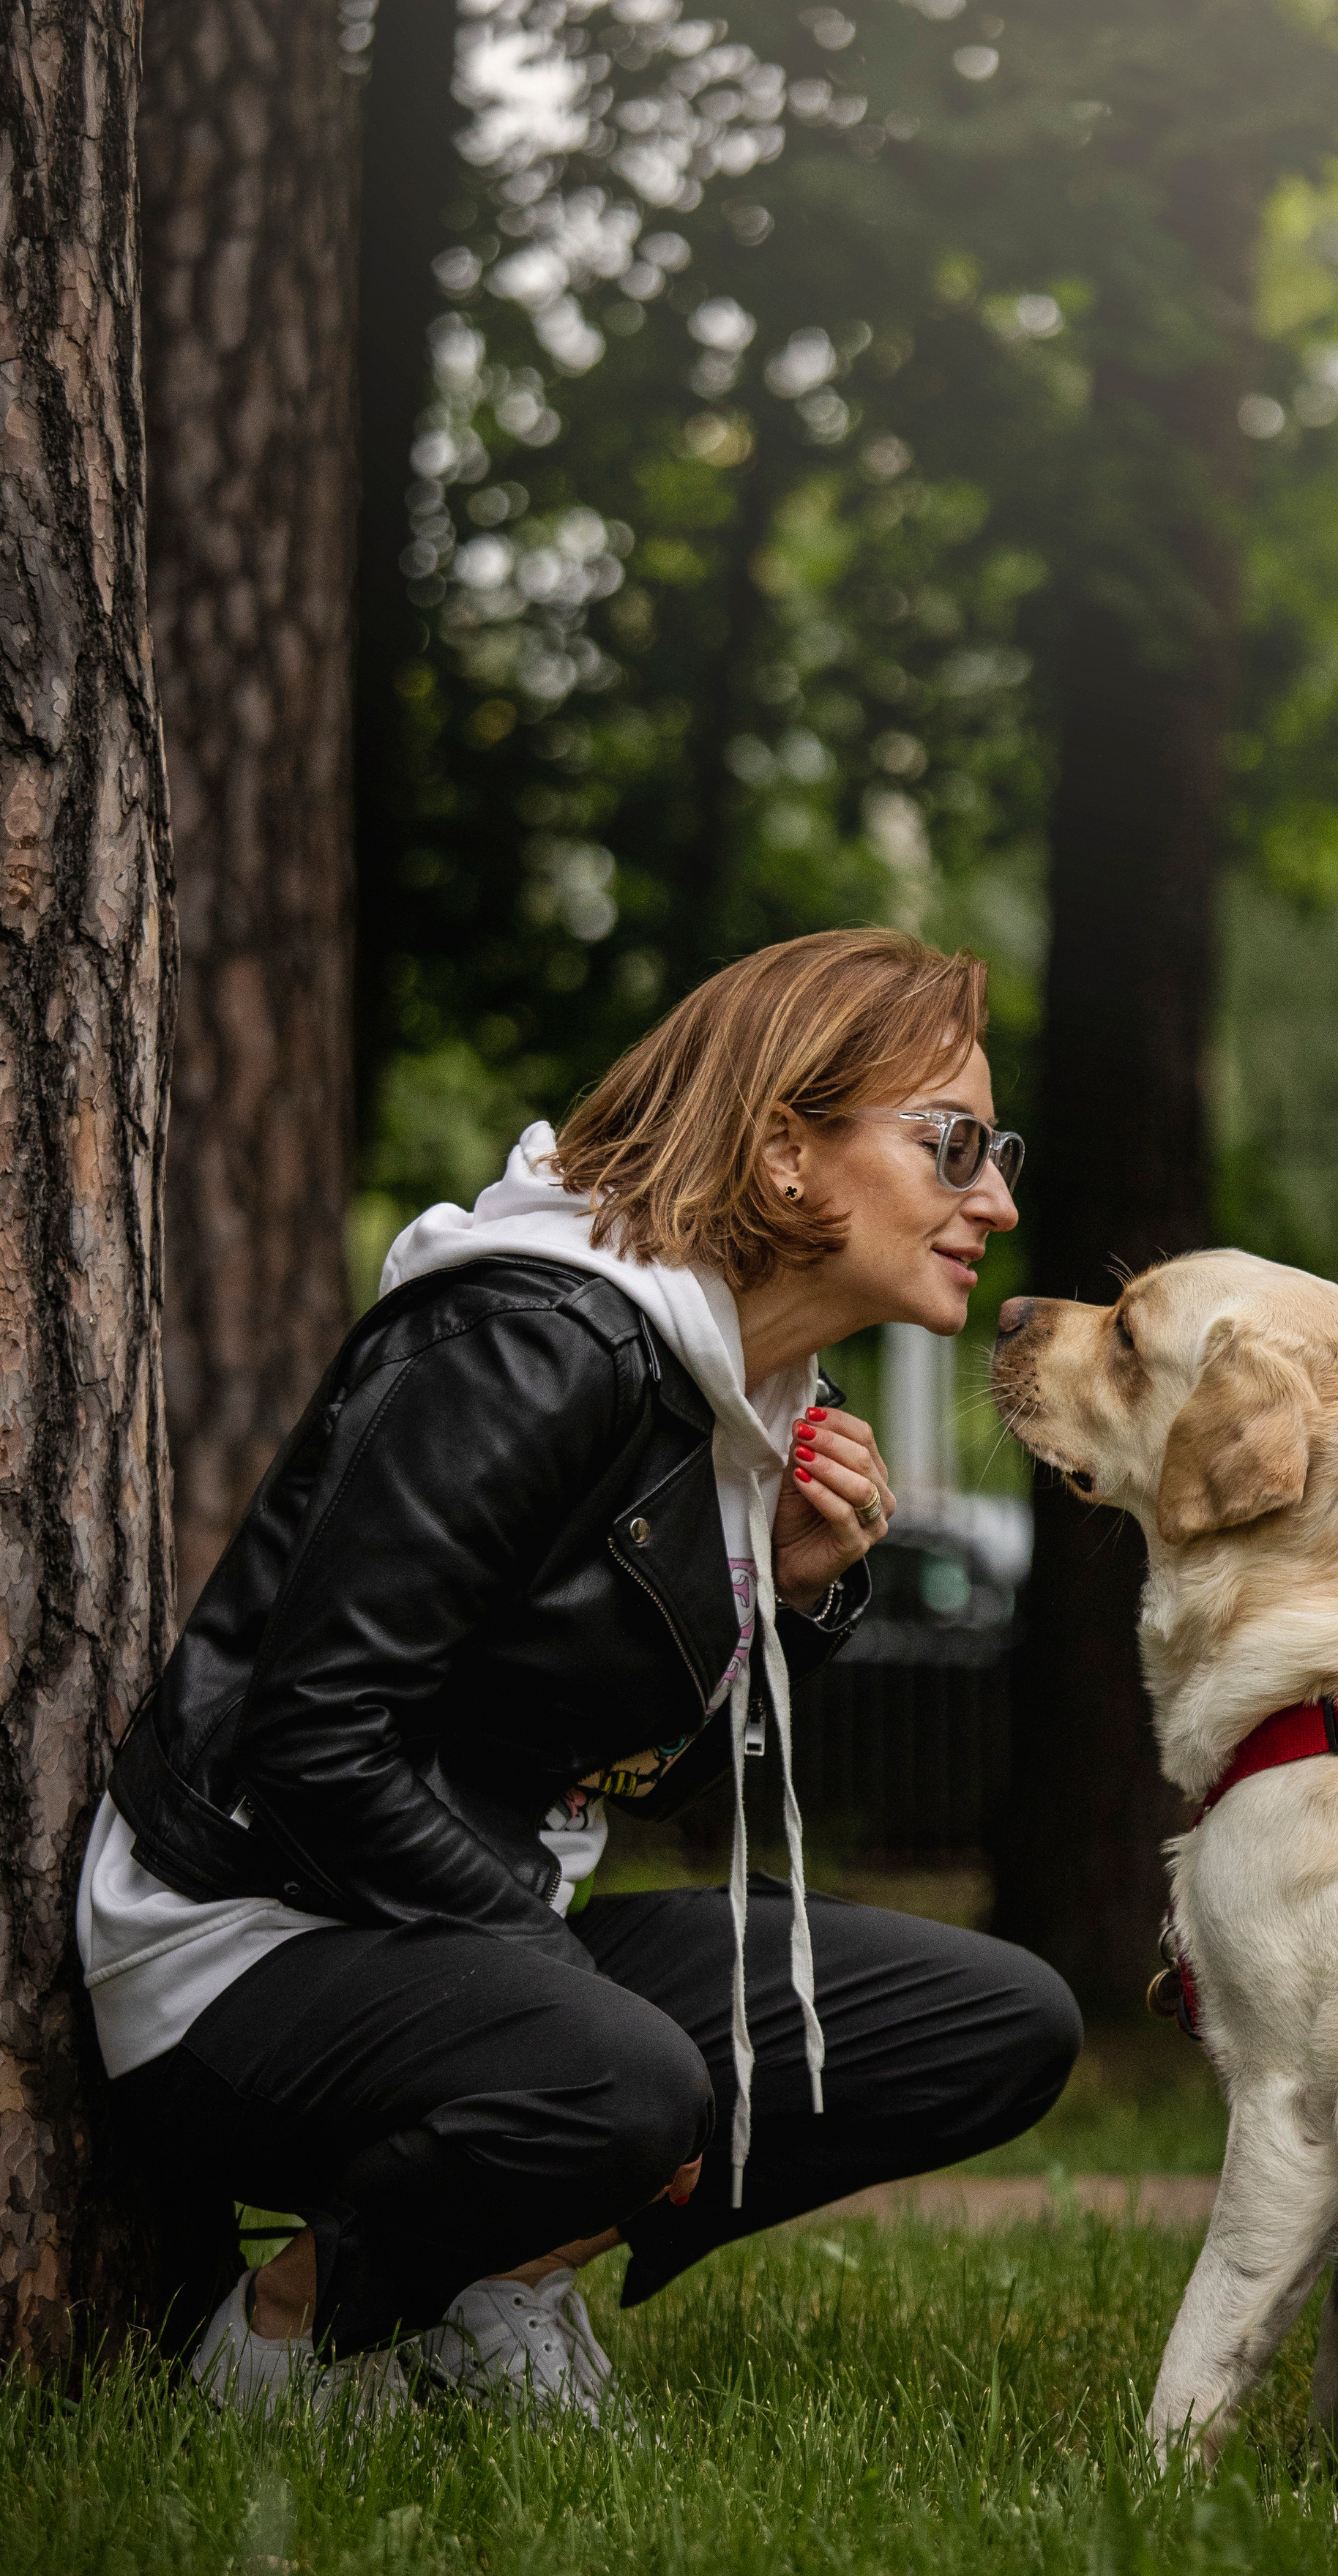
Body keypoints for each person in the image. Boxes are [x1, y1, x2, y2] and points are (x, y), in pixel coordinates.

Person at [81, 928, 1081, 2419]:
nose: (992, 1197)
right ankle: (287, 2340)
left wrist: (793, 1598)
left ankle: (499, 2268)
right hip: (239, 1950)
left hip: (459, 1944)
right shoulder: (529, 1340)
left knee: (998, 2024)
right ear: (785, 1156)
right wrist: (581, 2018)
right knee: (626, 2073)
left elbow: (616, 1771)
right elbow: (313, 1742)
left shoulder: (734, 1397)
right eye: (948, 1147)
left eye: (988, 1150)